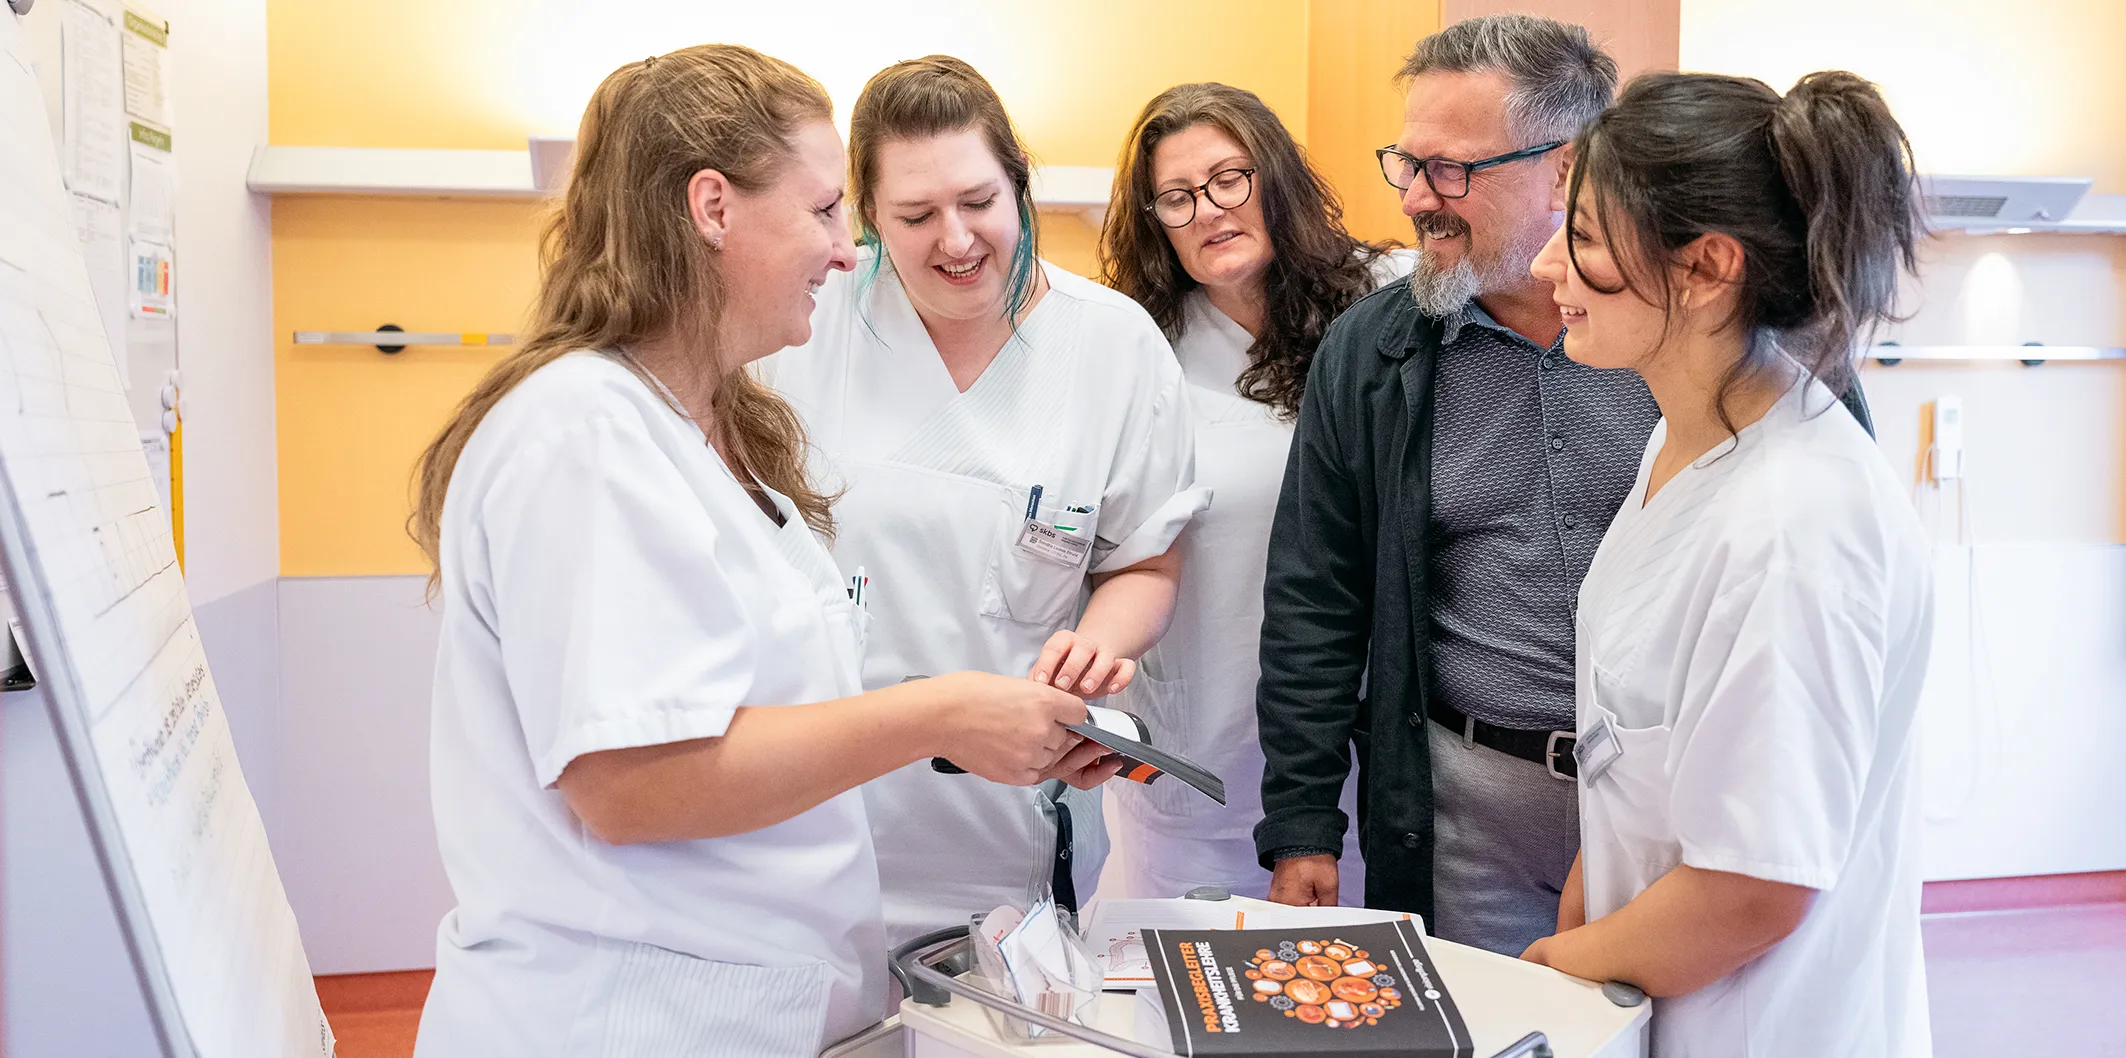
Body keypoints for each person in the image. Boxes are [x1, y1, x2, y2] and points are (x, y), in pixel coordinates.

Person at [407, 46, 1104, 1058]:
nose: (842, 250)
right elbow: (632, 783)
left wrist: (986, 722)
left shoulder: (711, 426)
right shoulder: (584, 432)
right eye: (824, 211)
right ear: (712, 206)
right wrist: (937, 711)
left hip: (752, 1006)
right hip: (620, 1019)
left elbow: (757, 708)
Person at [1520, 70, 1932, 1057]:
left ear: (1704, 266)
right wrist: (1585, 928)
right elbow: (1635, 754)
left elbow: (1752, 884)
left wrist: (1542, 972)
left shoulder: (1794, 521)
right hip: (1658, 1002)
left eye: (1581, 240)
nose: (1544, 267)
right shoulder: (1684, 444)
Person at [758, 56, 1209, 943]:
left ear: (1021, 187)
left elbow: (1146, 560)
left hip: (1012, 805)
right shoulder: (806, 326)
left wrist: (1095, 647)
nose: (955, 240)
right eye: (915, 216)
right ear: (867, 218)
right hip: (819, 797)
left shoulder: (1114, 346)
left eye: (979, 202)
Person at [1252, 15, 1659, 958]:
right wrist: (1304, 820)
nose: (1416, 200)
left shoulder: (1684, 336)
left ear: (1568, 169)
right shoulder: (1372, 352)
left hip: (1661, 803)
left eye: (1453, 170)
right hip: (1463, 816)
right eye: (1408, 162)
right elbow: (1317, 593)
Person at [1095, 81, 1410, 902]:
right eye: (1176, 197)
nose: (1207, 209)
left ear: (1276, 176)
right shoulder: (1140, 355)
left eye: (1229, 178)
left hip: (1375, 754)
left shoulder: (1391, 300)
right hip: (1205, 755)